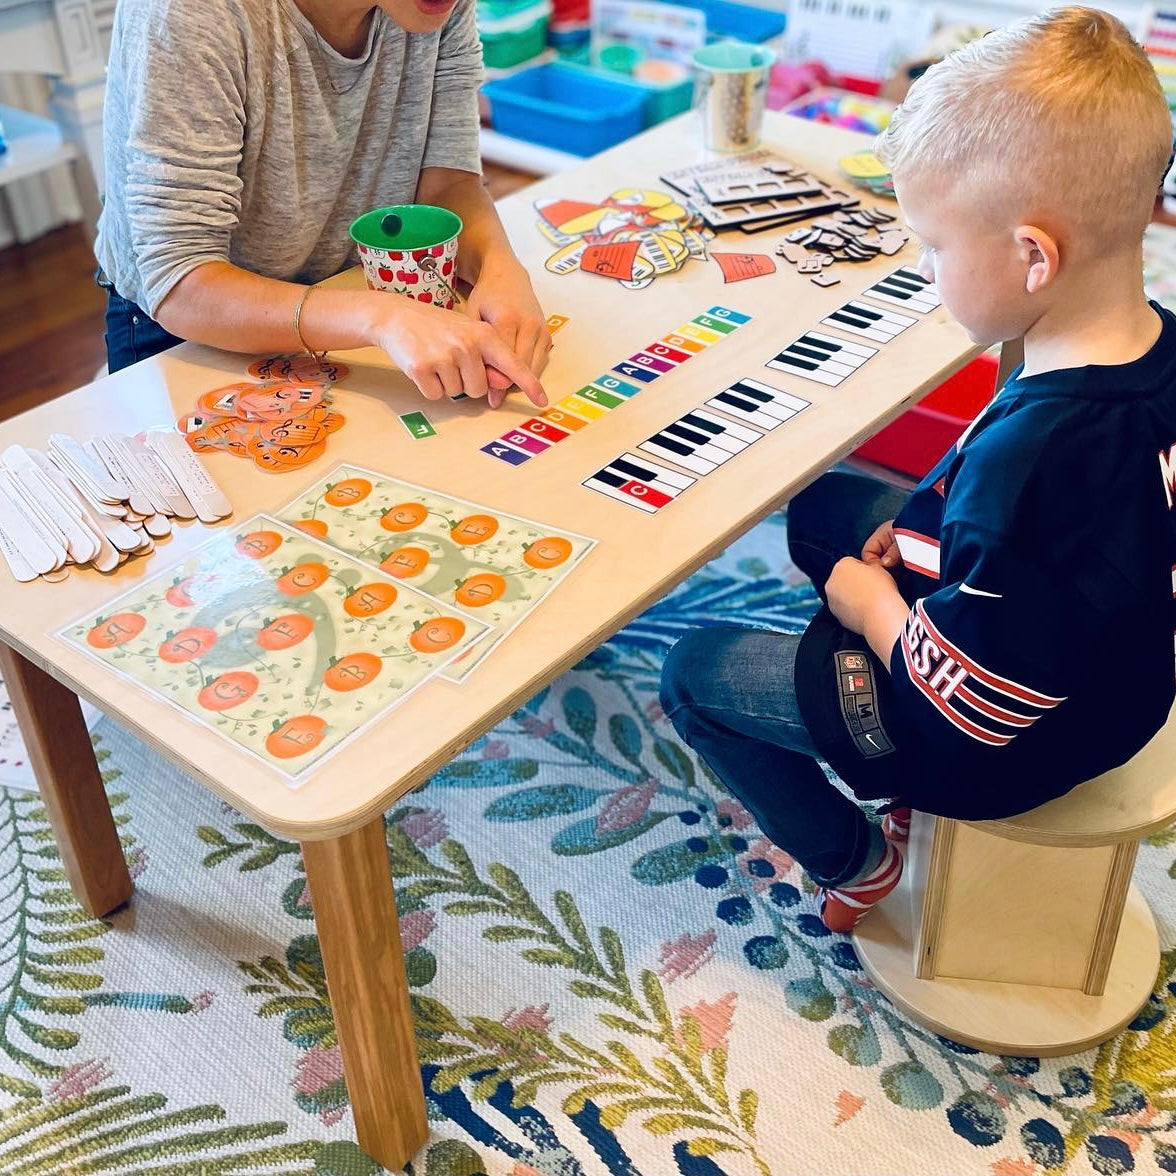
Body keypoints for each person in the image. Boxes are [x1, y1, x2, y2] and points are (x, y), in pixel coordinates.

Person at [660, 6, 1176, 933]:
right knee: (827, 510)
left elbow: (979, 706)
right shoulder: (1149, 349)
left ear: (1032, 256)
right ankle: (862, 662)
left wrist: (873, 609)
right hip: (1112, 662)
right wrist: (924, 527)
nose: (928, 268)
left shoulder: (1038, 466)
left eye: (936, 248)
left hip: (1008, 744)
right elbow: (1040, 519)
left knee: (692, 672)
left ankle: (853, 856)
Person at [95, 0, 549, 410]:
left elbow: (448, 181)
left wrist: (500, 267)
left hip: (348, 298)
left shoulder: (434, 7)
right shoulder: (188, 12)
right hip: (188, 327)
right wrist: (378, 316)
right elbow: (180, 281)